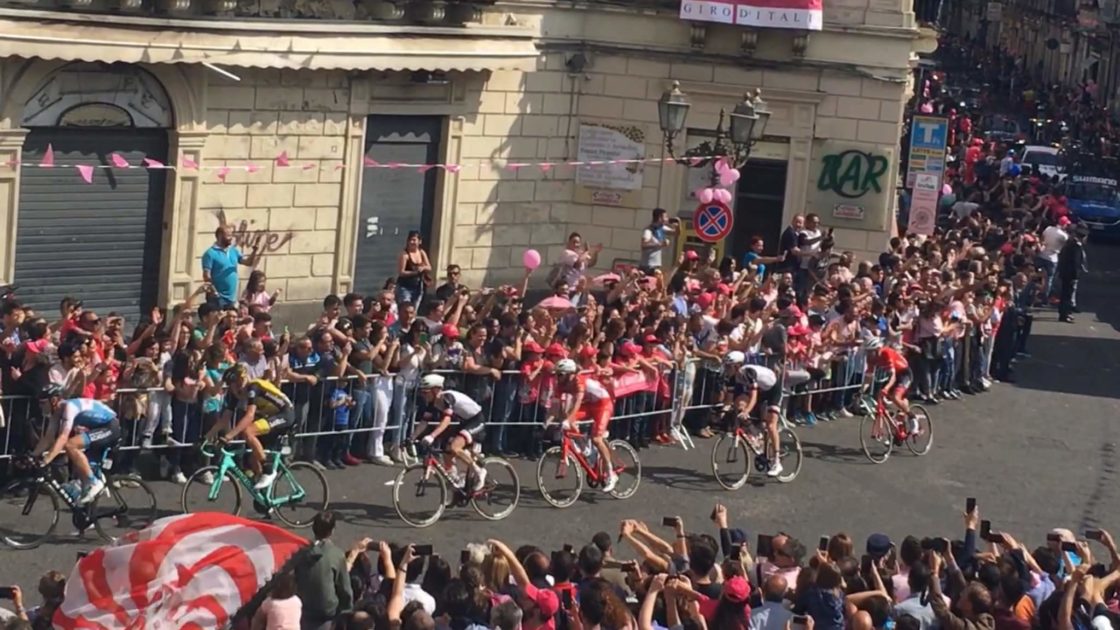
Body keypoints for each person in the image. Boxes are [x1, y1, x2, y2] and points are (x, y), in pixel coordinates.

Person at [210, 363, 295, 489]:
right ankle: (263, 494)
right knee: (252, 457)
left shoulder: (253, 387)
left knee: (248, 432)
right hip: (271, 416)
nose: (236, 388)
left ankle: (268, 470)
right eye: (233, 385)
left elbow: (249, 416)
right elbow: (224, 419)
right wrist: (207, 437)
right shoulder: (236, 393)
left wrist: (228, 436)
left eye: (239, 382)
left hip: (285, 414)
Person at [34, 383, 120, 504]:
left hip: (110, 427)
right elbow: (48, 438)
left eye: (43, 403)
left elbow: (63, 438)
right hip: (100, 429)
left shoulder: (69, 407)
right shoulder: (56, 413)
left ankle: (94, 482)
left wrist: (46, 460)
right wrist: (33, 455)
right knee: (81, 470)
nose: (40, 406)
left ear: (53, 400)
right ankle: (88, 519)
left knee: (70, 445)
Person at [547, 358, 617, 492]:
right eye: (556, 374)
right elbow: (555, 407)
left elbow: (578, 402)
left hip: (603, 404)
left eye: (560, 374)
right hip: (590, 405)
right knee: (567, 418)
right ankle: (586, 450)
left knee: (597, 438)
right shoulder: (560, 384)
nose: (557, 377)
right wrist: (546, 423)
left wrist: (569, 419)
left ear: (569, 374)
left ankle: (611, 473)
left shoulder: (578, 380)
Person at [413, 373, 488, 492]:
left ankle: (479, 471)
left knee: (454, 447)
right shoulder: (433, 403)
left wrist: (432, 436)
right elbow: (424, 422)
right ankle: (456, 481)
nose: (423, 395)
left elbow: (446, 420)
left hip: (476, 420)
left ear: (436, 390)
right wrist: (411, 438)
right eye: (422, 392)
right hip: (464, 422)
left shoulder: (447, 397)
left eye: (425, 392)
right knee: (447, 450)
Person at [721, 351, 784, 477]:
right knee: (739, 405)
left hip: (773, 390)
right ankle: (754, 434)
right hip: (761, 390)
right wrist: (725, 409)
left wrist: (747, 411)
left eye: (729, 366)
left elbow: (754, 398)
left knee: (771, 425)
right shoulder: (734, 377)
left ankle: (777, 462)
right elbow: (734, 397)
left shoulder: (749, 372)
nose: (726, 369)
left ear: (737, 366)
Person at [294, 511, 353, 630]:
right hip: (327, 613)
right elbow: (345, 589)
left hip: (304, 609)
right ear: (332, 530)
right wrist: (347, 612)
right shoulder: (336, 554)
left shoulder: (300, 553)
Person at [201, 224, 260, 309]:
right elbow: (206, 276)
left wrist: (255, 250)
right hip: (217, 298)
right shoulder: (210, 254)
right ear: (220, 236)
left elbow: (248, 262)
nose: (231, 238)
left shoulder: (233, 251)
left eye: (231, 235)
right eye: (228, 235)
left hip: (231, 298)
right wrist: (214, 292)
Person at [1056, 227, 1087, 323]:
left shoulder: (1069, 244)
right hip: (1070, 274)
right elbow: (1075, 262)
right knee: (1067, 295)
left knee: (1065, 294)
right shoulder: (1075, 246)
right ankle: (1065, 314)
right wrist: (1075, 275)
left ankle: (1064, 313)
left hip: (1065, 273)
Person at [397, 231, 432, 307]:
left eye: (414, 240)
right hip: (405, 286)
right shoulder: (405, 255)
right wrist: (414, 272)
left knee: (414, 308)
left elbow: (429, 267)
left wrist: (423, 268)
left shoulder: (422, 252)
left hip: (418, 286)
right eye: (410, 240)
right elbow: (401, 272)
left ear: (419, 241)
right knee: (405, 307)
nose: (412, 242)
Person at [639, 208, 674, 274]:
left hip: (656, 265)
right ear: (660, 218)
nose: (667, 218)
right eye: (665, 217)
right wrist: (661, 244)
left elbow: (676, 233)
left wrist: (678, 225)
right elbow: (644, 244)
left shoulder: (662, 228)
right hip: (648, 266)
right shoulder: (649, 230)